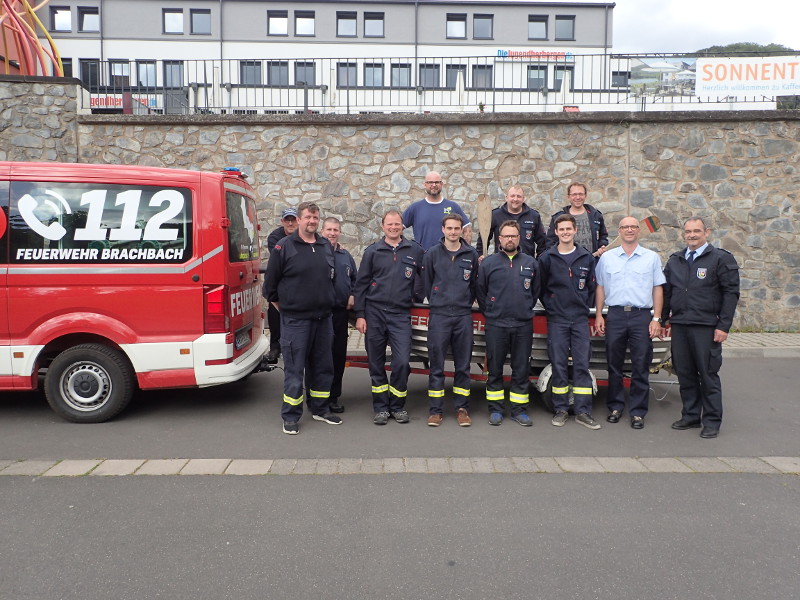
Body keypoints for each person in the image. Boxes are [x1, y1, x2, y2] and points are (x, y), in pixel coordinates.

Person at [263, 202, 341, 435]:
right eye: (308, 217)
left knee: (323, 367)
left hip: (323, 320)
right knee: (295, 370)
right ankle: (290, 415)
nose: (312, 221)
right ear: (298, 220)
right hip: (296, 322)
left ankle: (320, 408)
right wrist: (286, 310)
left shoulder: (324, 245)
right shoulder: (284, 247)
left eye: (316, 218)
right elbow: (270, 288)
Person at [662, 217, 740, 439]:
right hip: (680, 325)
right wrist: (661, 321)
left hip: (706, 326)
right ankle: (691, 416)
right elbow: (667, 293)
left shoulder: (720, 259)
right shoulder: (676, 260)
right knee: (684, 373)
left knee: (707, 374)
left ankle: (712, 421)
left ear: (707, 232)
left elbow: (731, 294)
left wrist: (723, 326)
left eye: (696, 231)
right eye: (688, 231)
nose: (692, 235)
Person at [594, 216, 666, 429]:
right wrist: (599, 314)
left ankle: (637, 412)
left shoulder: (651, 258)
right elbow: (600, 287)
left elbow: (657, 288)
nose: (629, 230)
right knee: (613, 364)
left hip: (641, 316)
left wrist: (656, 318)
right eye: (625, 227)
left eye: (633, 226)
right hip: (615, 315)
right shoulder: (607, 258)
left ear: (638, 230)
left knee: (640, 365)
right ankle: (615, 407)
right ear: (619, 231)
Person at [354, 210, 425, 425]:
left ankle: (397, 406)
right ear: (382, 226)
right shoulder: (373, 252)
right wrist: (360, 315)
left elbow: (423, 278)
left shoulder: (415, 249)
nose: (394, 227)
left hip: (400, 314)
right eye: (390, 224)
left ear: (403, 226)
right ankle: (381, 408)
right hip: (374, 313)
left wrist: (417, 296)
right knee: (375, 363)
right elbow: (361, 285)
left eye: (397, 224)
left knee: (402, 361)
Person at [538, 214, 600, 430]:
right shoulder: (546, 258)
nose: (565, 232)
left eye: (568, 229)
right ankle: (561, 409)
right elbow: (541, 288)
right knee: (559, 365)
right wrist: (553, 306)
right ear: (556, 232)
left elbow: (592, 289)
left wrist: (582, 305)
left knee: (582, 365)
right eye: (561, 229)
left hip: (580, 319)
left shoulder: (586, 258)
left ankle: (583, 412)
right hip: (557, 320)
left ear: (575, 231)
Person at [476, 220, 540, 426]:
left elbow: (535, 290)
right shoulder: (488, 264)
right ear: (499, 239)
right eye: (506, 236)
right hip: (497, 324)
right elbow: (481, 292)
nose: (510, 239)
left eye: (513, 236)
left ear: (519, 238)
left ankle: (518, 410)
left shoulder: (531, 263)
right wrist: (493, 312)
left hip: (523, 325)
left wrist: (524, 308)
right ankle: (495, 410)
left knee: (521, 369)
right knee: (494, 369)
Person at [422, 213, 479, 427]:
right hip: (439, 316)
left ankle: (462, 409)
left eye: (457, 229)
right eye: (450, 228)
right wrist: (439, 300)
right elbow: (427, 284)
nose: (453, 232)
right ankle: (435, 410)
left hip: (463, 316)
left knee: (463, 366)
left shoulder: (470, 254)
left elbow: (474, 285)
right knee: (436, 365)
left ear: (462, 231)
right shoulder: (432, 255)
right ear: (443, 230)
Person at [321, 217, 357, 414]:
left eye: (335, 230)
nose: (332, 233)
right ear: (322, 231)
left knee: (337, 356)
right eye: (329, 229)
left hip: (340, 314)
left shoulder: (345, 255)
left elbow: (355, 279)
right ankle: (317, 396)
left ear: (340, 232)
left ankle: (333, 397)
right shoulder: (316, 252)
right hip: (320, 314)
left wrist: (352, 294)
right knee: (319, 357)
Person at [402, 171, 472, 250]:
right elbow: (398, 228)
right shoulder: (415, 208)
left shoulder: (452, 206)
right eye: (430, 182)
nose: (434, 185)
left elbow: (467, 230)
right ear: (425, 184)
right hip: (422, 258)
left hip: (447, 258)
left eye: (437, 182)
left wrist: (466, 252)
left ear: (441, 184)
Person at [264, 208, 298, 363]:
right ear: (282, 221)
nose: (290, 223)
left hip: (297, 282)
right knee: (274, 311)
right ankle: (275, 347)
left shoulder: (304, 235)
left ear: (298, 221)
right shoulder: (274, 237)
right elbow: (280, 259)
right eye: (287, 220)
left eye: (293, 220)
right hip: (280, 281)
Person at [476, 185, 546, 259]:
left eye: (519, 196)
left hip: (526, 264)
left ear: (523, 199)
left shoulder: (533, 216)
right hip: (501, 263)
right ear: (506, 198)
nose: (515, 199)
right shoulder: (495, 215)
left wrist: (539, 261)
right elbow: (483, 239)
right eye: (512, 196)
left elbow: (543, 242)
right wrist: (480, 255)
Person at [545, 182, 608, 258]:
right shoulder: (558, 218)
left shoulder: (596, 215)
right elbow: (550, 242)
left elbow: (603, 236)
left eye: (581, 194)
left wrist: (602, 246)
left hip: (592, 260)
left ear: (585, 196)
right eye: (574, 194)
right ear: (568, 197)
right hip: (566, 262)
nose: (578, 197)